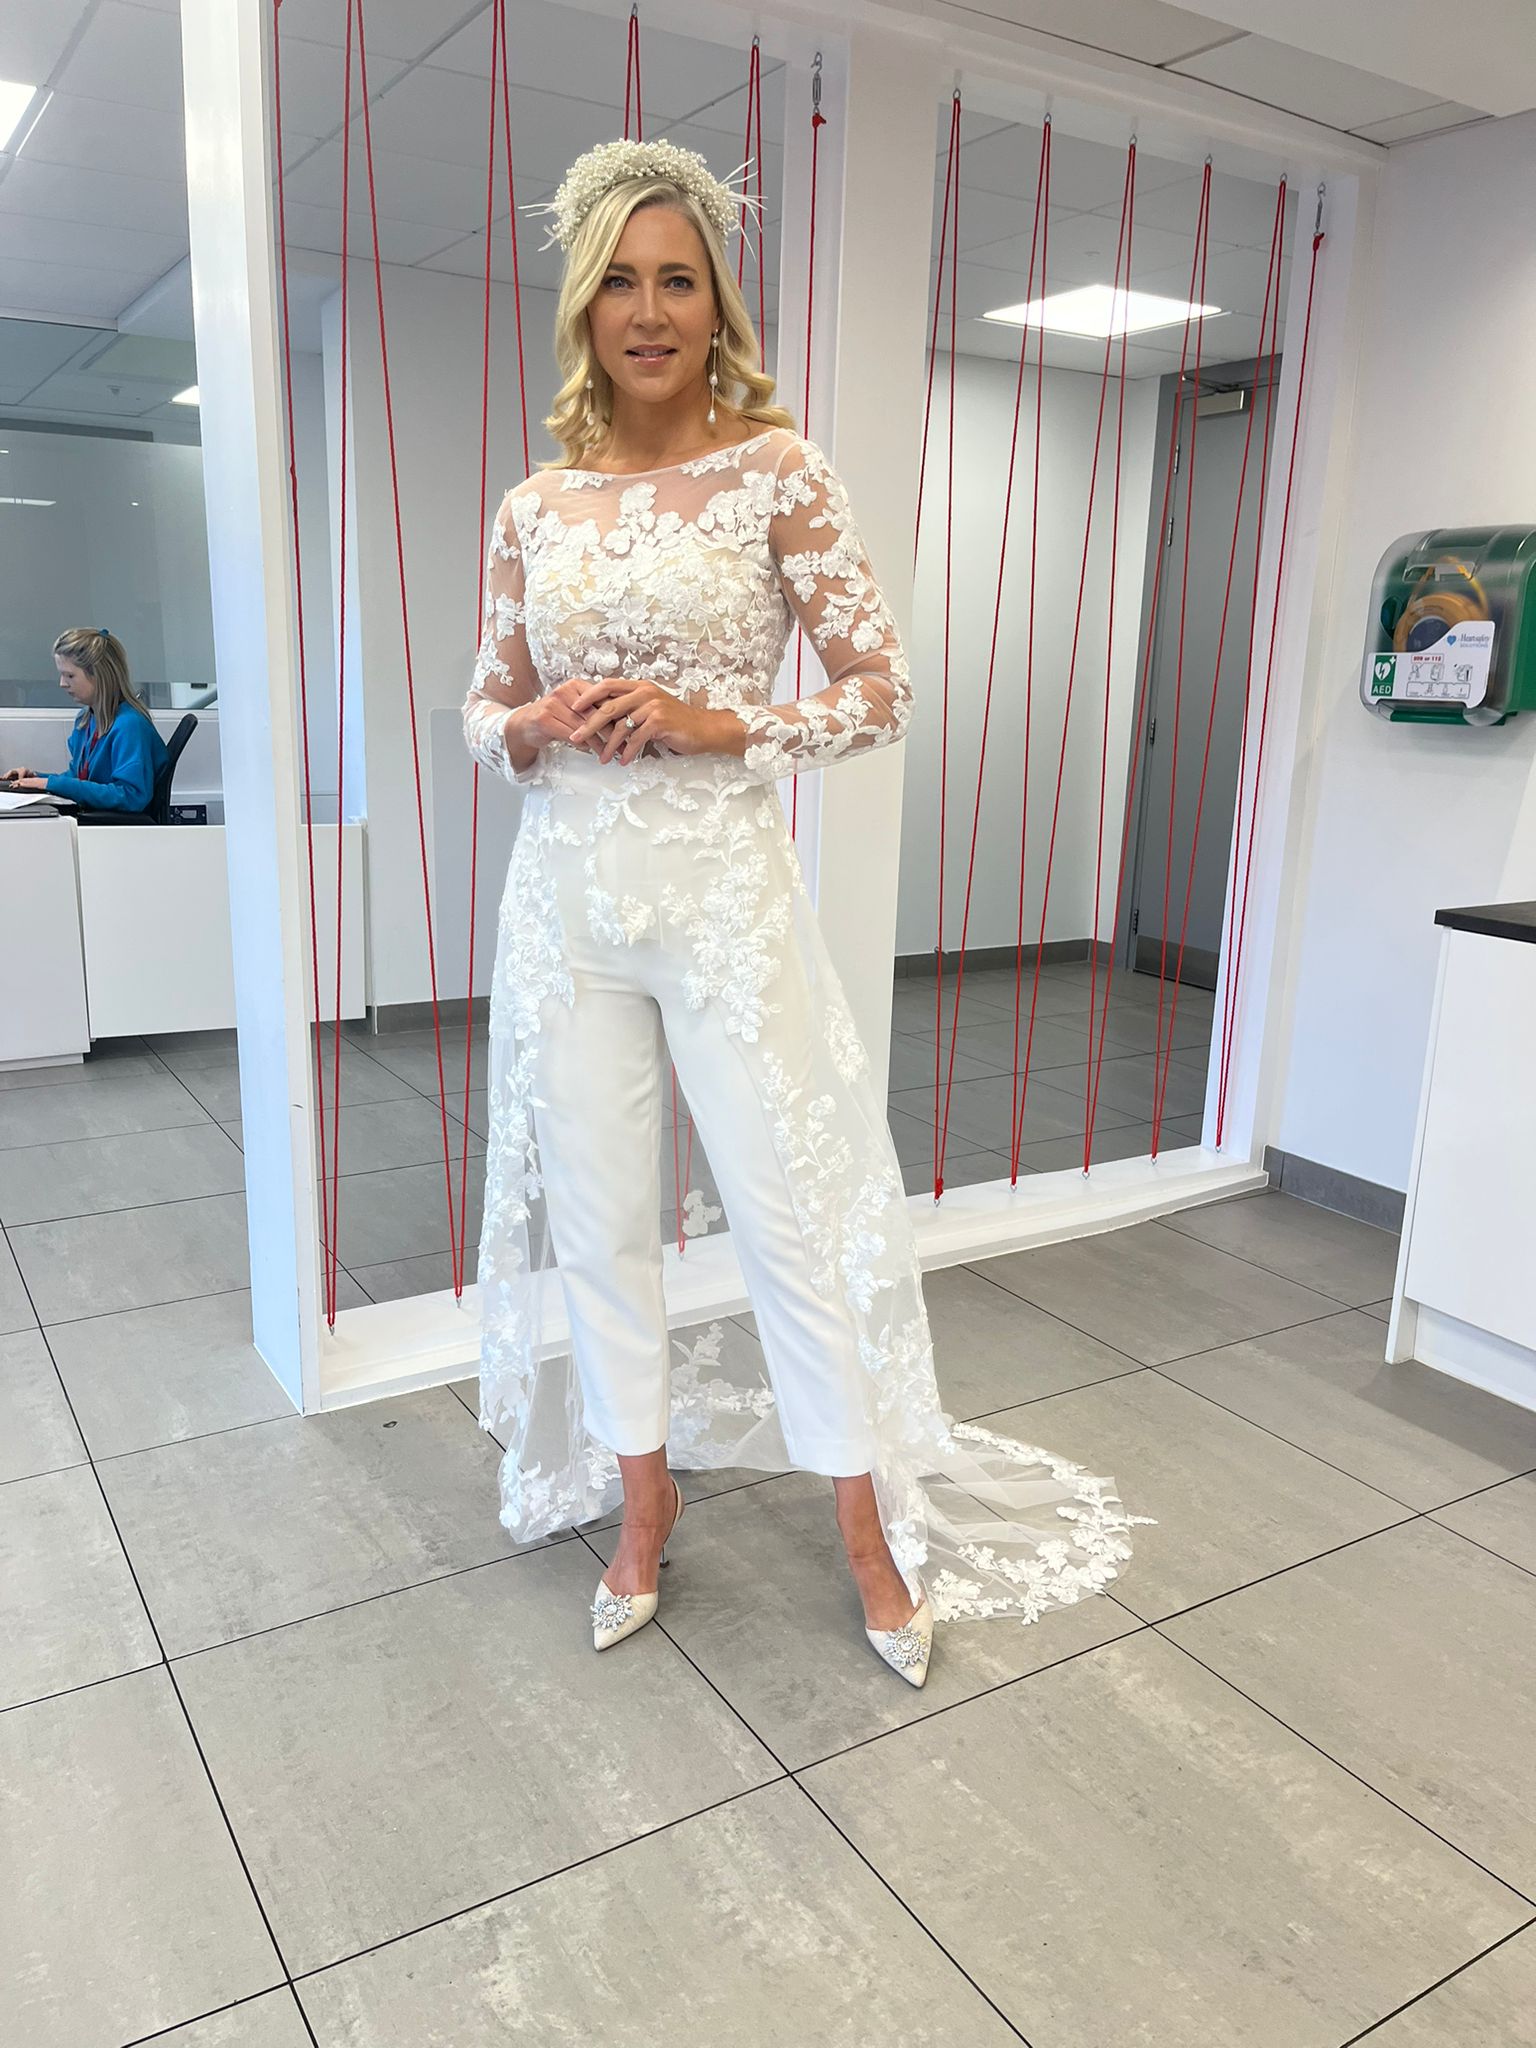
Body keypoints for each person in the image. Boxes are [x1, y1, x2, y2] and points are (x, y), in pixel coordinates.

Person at [462, 138, 1139, 1687]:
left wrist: (717, 726)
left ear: (718, 303)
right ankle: (642, 1504)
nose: (649, 311)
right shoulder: (533, 505)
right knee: (601, 1221)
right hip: (567, 901)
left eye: (677, 280)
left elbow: (880, 693)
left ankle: (863, 1527)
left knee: (792, 1221)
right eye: (620, 282)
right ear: (585, 304)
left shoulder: (781, 470)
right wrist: (537, 724)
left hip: (720, 900)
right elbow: (478, 704)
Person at [2, 629, 168, 814]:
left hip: (120, 830)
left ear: (100, 676)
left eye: (70, 676)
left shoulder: (130, 726)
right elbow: (78, 778)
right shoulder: (86, 719)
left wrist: (51, 783)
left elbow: (131, 796)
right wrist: (36, 779)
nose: (62, 684)